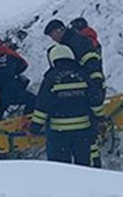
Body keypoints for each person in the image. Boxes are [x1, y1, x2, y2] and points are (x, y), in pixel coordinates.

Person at [30, 44, 105, 167]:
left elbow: (42, 106)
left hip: (59, 134)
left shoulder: (51, 78)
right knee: (84, 167)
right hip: (82, 132)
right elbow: (95, 100)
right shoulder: (83, 75)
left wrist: (35, 127)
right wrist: (101, 118)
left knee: (61, 169)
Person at [44, 19, 106, 166]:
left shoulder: (76, 42)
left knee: (89, 133)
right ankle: (91, 164)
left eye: (53, 35)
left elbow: (92, 65)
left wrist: (93, 87)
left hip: (87, 91)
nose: (53, 39)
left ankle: (93, 166)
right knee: (86, 134)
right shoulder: (73, 41)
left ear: (59, 30)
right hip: (86, 90)